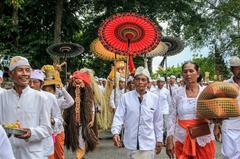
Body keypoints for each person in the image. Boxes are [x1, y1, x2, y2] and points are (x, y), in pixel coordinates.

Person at [0, 56, 51, 159]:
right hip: (8, 151)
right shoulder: (2, 97)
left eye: (27, 70)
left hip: (32, 154)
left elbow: (47, 129)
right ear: (11, 74)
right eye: (20, 70)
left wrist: (31, 132)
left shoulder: (40, 97)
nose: (25, 74)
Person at [111, 66, 163, 159]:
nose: (140, 82)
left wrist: (159, 139)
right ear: (134, 81)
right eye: (138, 79)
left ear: (148, 82)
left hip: (148, 144)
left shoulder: (154, 98)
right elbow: (118, 116)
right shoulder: (125, 97)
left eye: (143, 79)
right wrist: (115, 132)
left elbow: (158, 121)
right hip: (130, 143)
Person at [166, 61, 215, 159]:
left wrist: (214, 119)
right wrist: (169, 139)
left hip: (203, 137)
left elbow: (215, 114)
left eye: (191, 71)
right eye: (185, 72)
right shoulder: (177, 93)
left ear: (198, 73)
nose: (188, 74)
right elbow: (171, 117)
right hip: (182, 138)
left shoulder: (207, 91)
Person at [63, 71, 98, 159]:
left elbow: (92, 107)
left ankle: (80, 156)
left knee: (82, 139)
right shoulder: (69, 93)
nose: (77, 83)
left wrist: (92, 119)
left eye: (79, 81)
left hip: (84, 121)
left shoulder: (88, 94)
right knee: (75, 139)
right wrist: (64, 118)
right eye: (75, 81)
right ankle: (79, 156)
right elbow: (64, 106)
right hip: (73, 121)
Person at [29, 69, 63, 159]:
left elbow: (59, 118)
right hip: (28, 140)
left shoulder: (50, 97)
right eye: (29, 82)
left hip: (45, 141)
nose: (31, 85)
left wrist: (52, 121)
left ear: (42, 83)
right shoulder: (22, 97)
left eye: (35, 82)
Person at [221, 56, 240, 159]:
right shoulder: (225, 84)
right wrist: (216, 126)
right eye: (237, 68)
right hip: (229, 124)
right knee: (228, 155)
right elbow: (219, 105)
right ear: (232, 69)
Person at [152, 77, 171, 144]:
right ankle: (157, 139)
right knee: (156, 125)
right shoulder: (153, 91)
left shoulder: (166, 91)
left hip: (165, 111)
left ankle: (164, 139)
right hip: (156, 111)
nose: (160, 83)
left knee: (165, 126)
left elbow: (169, 102)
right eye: (159, 82)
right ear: (157, 83)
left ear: (164, 83)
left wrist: (170, 112)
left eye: (162, 82)